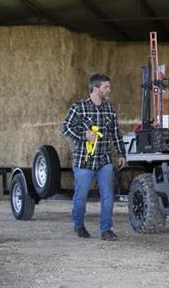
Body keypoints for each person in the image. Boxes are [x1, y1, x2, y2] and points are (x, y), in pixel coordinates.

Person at [61, 73, 126, 241]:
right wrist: (84, 135)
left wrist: (121, 153)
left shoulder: (109, 109)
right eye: (106, 87)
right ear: (96, 88)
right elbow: (65, 128)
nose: (109, 90)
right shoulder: (79, 107)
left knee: (108, 196)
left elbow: (115, 133)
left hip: (104, 160)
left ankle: (106, 229)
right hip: (84, 161)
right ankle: (79, 226)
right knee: (81, 196)